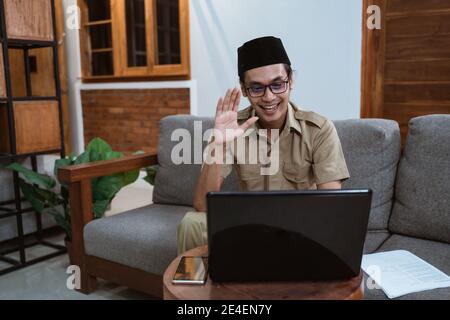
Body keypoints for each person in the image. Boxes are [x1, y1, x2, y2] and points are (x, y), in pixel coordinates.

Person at [177, 36, 350, 254]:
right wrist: (218, 145)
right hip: (250, 225)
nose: (269, 97)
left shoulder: (319, 129)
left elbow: (330, 208)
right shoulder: (232, 128)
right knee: (192, 223)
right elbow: (202, 204)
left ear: (291, 81)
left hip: (299, 228)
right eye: (257, 88)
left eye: (277, 85)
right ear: (244, 89)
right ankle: (197, 287)